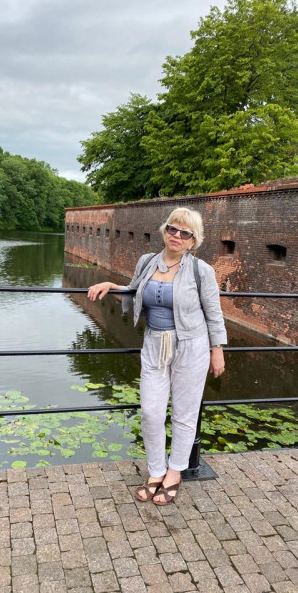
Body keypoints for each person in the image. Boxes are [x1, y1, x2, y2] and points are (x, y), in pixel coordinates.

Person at [87, 207, 226, 505]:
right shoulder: (147, 262)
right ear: (164, 231)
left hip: (192, 346)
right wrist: (112, 286)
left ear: (193, 241)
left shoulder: (202, 271)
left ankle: (174, 473)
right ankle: (155, 470)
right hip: (154, 344)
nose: (177, 236)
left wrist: (218, 350)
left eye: (185, 233)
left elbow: (214, 314)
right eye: (172, 229)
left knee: (185, 414)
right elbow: (136, 292)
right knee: (150, 411)